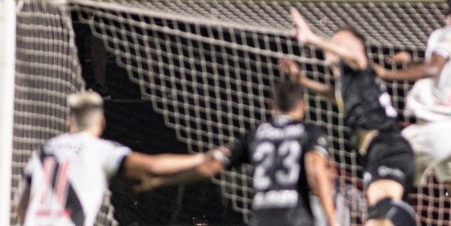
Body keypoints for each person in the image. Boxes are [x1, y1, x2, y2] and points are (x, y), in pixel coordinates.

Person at [140, 78, 342, 226]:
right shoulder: (310, 132)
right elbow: (316, 168)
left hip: (263, 219)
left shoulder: (255, 135)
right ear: (303, 105)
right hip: (296, 219)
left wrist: (164, 180)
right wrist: (332, 220)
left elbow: (211, 167)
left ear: (271, 105)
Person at [282, 9, 418, 226]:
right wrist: (302, 80)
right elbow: (333, 95)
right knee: (379, 214)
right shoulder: (347, 84)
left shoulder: (360, 66)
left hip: (389, 147)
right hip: (376, 152)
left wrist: (313, 39)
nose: (333, 44)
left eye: (339, 42)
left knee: (380, 216)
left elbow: (357, 57)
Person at [16, 90, 211, 226]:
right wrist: (205, 158)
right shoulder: (98, 150)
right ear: (102, 122)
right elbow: (153, 165)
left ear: (69, 121)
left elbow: (21, 206)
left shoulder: (44, 150)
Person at [375, 0, 451, 226]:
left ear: (446, 10)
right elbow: (444, 68)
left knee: (382, 171)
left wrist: (388, 74)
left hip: (435, 127)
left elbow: (434, 69)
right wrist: (412, 62)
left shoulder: (444, 34)